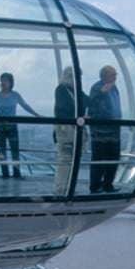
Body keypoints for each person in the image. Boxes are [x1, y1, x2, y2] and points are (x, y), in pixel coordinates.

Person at [0, 72, 39, 178]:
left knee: (15, 151)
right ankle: (5, 174)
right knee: (2, 152)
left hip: (12, 127)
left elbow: (25, 106)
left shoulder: (15, 95)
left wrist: (36, 115)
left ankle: (17, 174)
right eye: (2, 80)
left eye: (6, 80)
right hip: (0, 127)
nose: (3, 83)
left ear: (11, 82)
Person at [87, 65, 121, 193]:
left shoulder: (114, 88)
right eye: (112, 75)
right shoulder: (97, 88)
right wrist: (102, 93)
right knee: (99, 159)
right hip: (100, 131)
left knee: (113, 158)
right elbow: (92, 105)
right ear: (104, 75)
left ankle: (108, 184)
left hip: (113, 130)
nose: (115, 77)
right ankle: (95, 186)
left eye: (115, 75)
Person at [52, 67, 80, 196]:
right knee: (64, 160)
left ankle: (66, 187)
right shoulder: (62, 90)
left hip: (70, 129)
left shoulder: (73, 91)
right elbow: (62, 109)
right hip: (65, 130)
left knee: (69, 160)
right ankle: (61, 189)